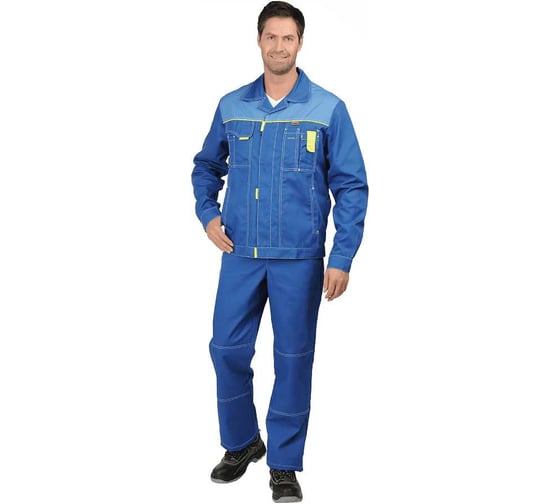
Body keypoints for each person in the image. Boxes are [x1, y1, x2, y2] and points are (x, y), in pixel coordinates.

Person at [191, 2, 368, 501]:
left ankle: (284, 463)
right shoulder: (232, 106)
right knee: (226, 348)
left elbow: (351, 185)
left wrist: (341, 256)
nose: (279, 46)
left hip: (299, 257)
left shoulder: (328, 109)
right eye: (271, 36)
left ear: (300, 43)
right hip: (241, 252)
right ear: (259, 41)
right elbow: (206, 166)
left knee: (292, 358)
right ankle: (242, 442)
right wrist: (208, 215)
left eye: (288, 38)